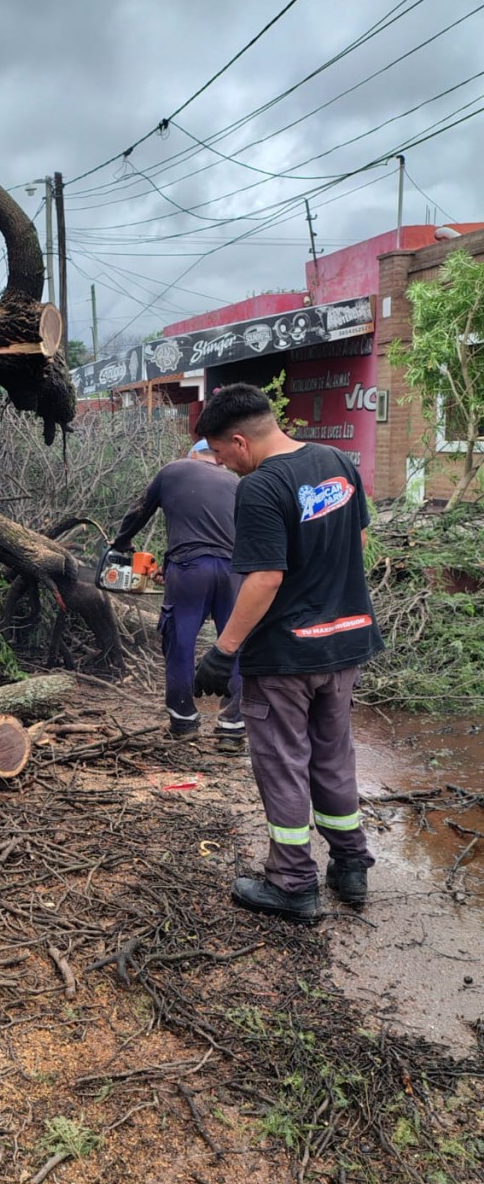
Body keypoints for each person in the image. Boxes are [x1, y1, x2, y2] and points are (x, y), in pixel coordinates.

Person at [191, 383, 383, 920]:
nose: (224, 466)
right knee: (333, 756)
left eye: (222, 455)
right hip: (344, 643)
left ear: (239, 441)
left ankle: (294, 884)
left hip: (285, 657)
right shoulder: (337, 462)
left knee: (282, 765)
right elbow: (358, 542)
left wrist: (223, 651)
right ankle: (350, 866)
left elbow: (265, 579)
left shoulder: (259, 487)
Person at [109, 439, 245, 750]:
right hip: (234, 570)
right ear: (218, 458)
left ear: (193, 455)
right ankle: (232, 727)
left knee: (179, 641)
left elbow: (138, 511)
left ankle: (183, 722)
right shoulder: (235, 481)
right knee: (235, 642)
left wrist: (122, 543)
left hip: (189, 570)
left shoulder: (173, 470)